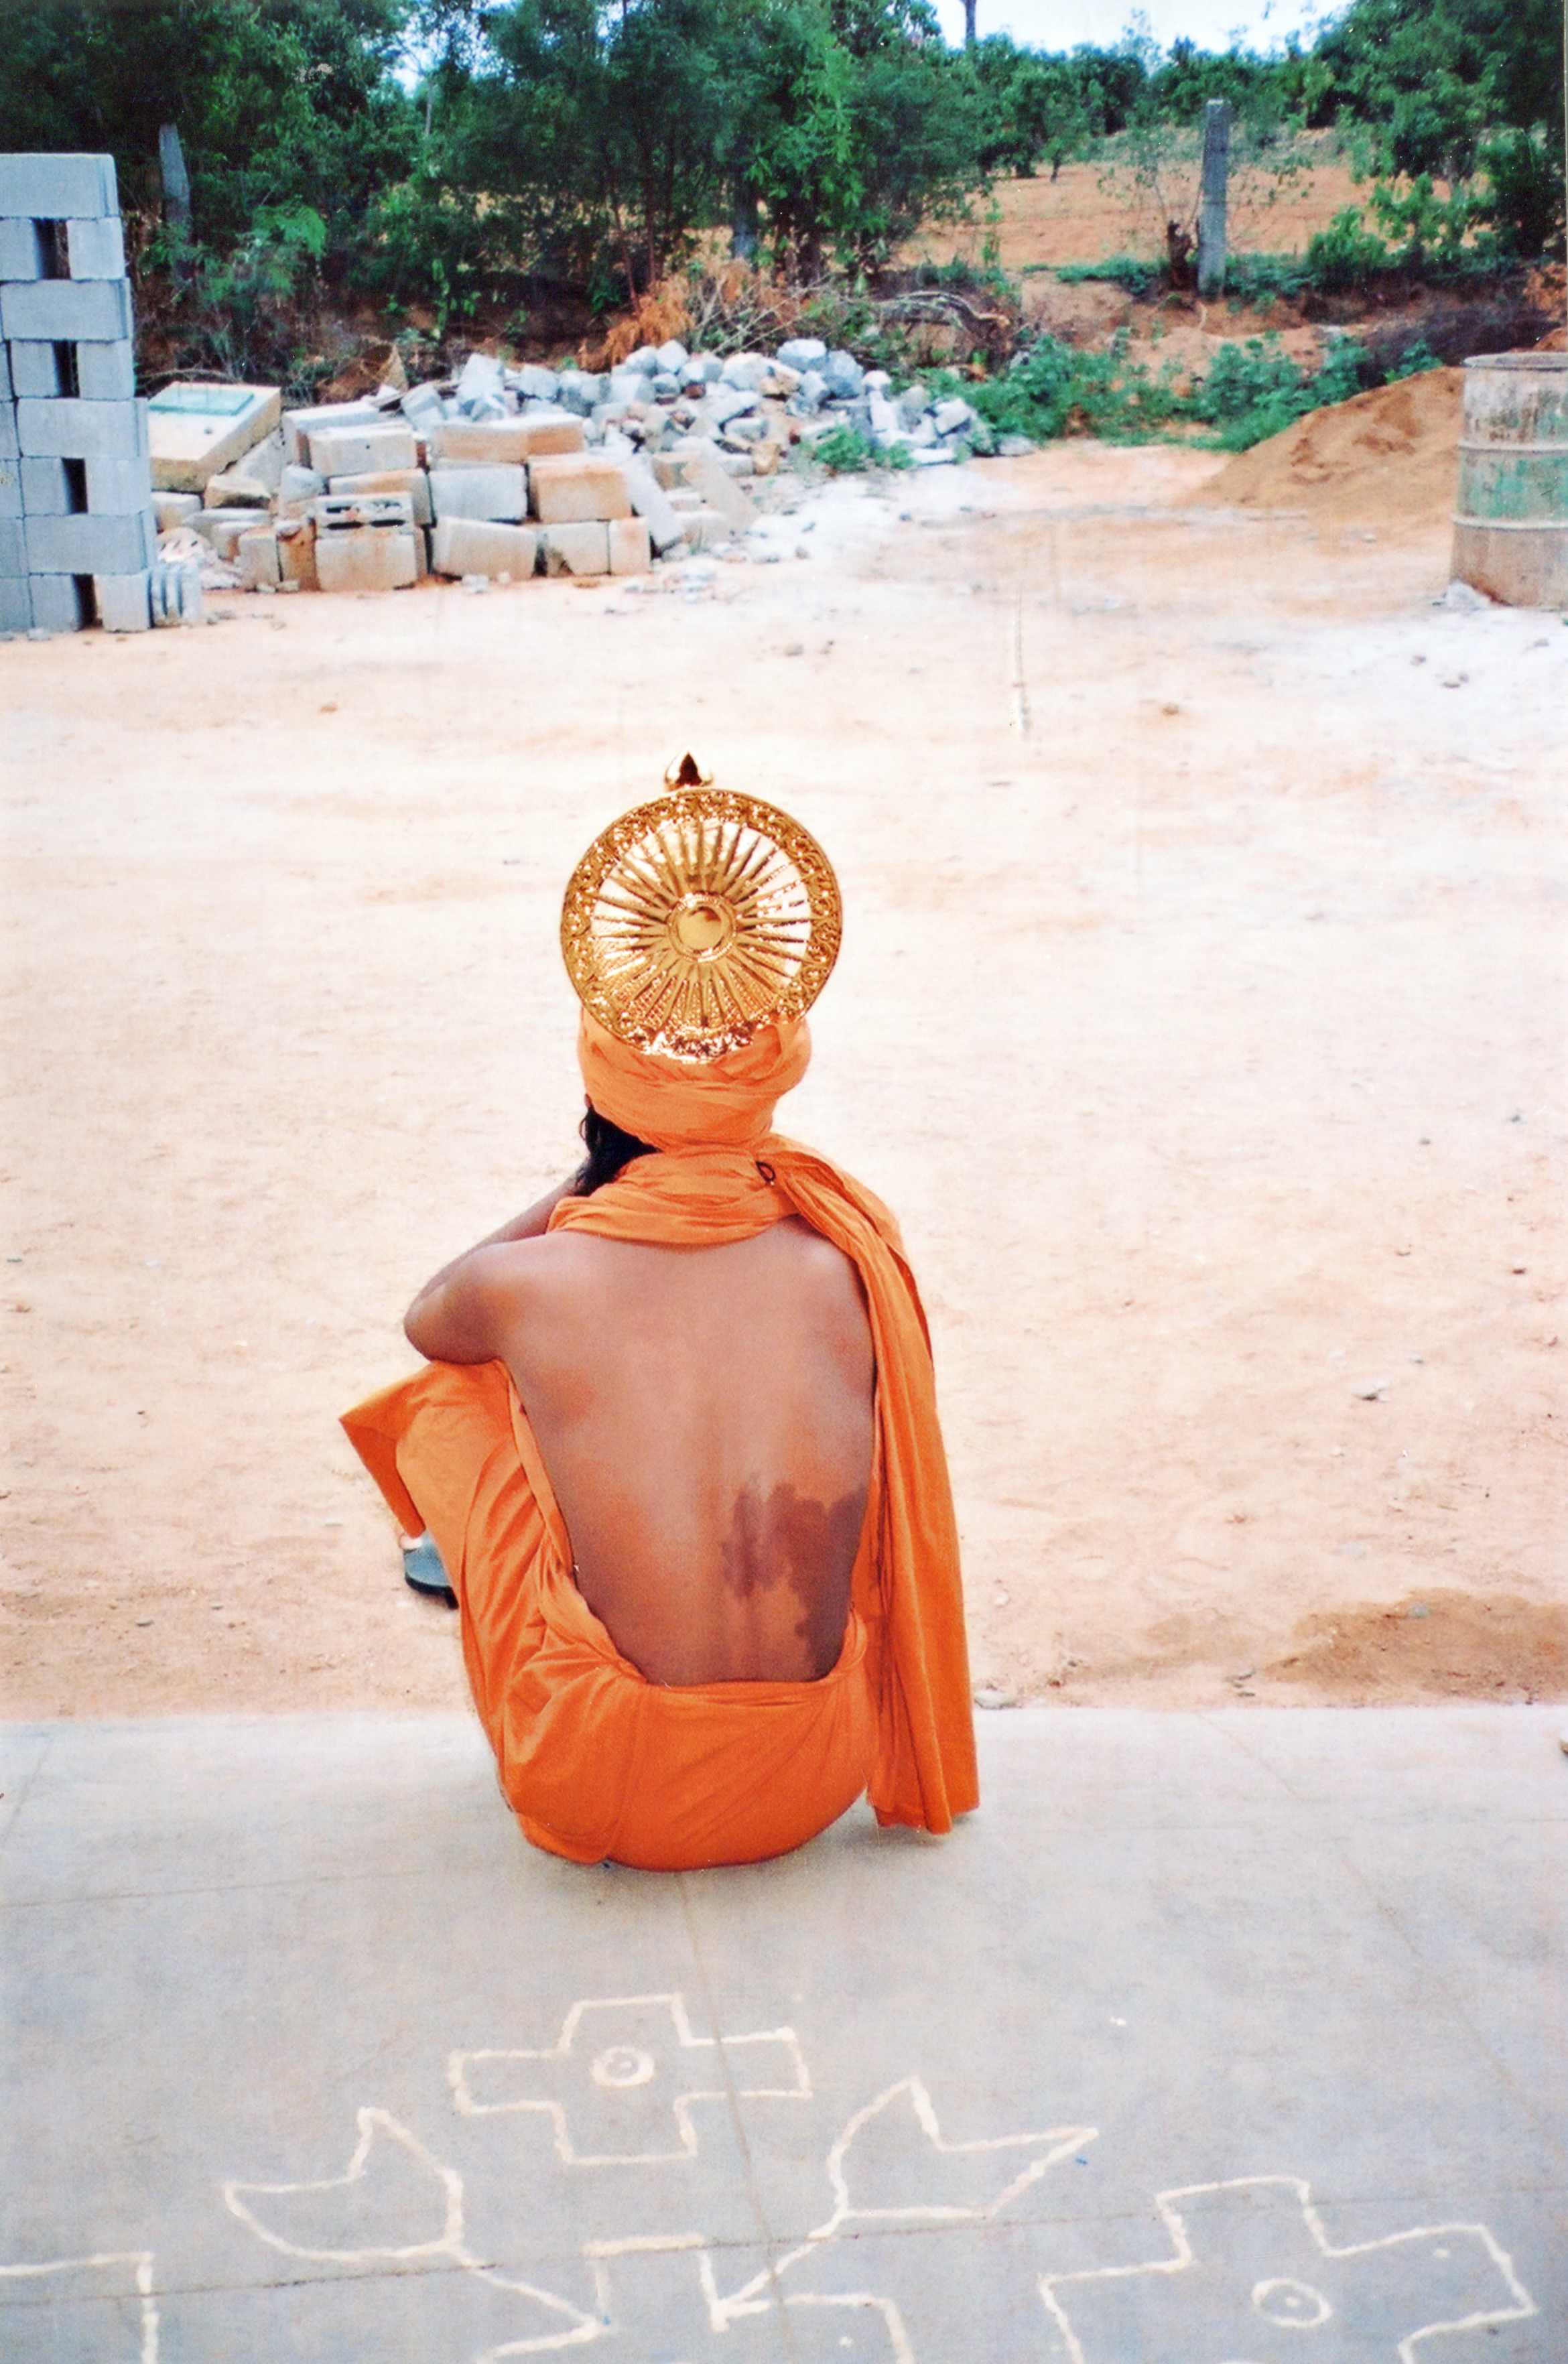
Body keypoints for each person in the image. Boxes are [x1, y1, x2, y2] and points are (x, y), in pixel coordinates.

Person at [341, 765, 977, 1871]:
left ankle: (500, 1595)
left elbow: (427, 1319)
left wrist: (594, 1181)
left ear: (603, 1090)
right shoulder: (845, 1255)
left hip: (613, 1790)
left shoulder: (528, 1285)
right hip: (818, 1771)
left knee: (453, 1396)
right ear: (766, 1080)